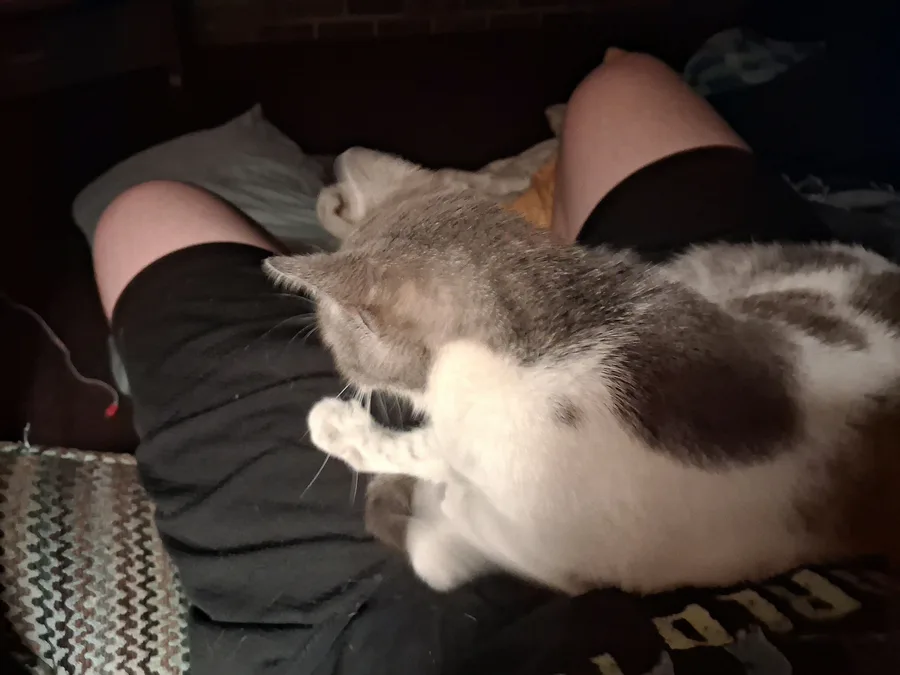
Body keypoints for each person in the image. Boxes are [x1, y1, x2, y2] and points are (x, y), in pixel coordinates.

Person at [93, 49, 900, 675]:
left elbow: (473, 539)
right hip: (749, 338)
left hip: (395, 628)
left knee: (145, 211)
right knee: (624, 87)